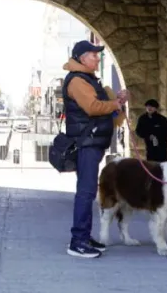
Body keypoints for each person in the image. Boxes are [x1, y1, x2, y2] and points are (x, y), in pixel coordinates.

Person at [62, 40, 129, 258]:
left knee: (88, 190)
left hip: (93, 142)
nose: (97, 58)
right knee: (86, 191)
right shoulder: (78, 81)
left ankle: (84, 236)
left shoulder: (89, 80)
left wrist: (117, 103)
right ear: (82, 58)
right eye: (93, 55)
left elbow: (107, 112)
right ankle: (78, 241)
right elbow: (92, 107)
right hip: (87, 143)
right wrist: (114, 104)